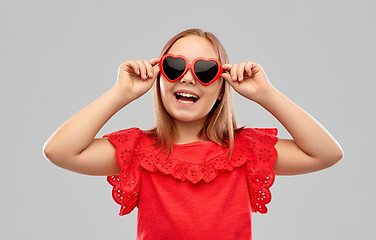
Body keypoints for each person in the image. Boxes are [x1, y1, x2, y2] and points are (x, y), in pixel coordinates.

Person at [43, 28, 343, 239]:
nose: (188, 76)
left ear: (222, 89)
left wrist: (266, 94)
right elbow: (60, 151)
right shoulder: (138, 150)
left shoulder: (245, 151)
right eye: (174, 66)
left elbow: (326, 153)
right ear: (159, 77)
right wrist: (121, 93)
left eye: (205, 71)